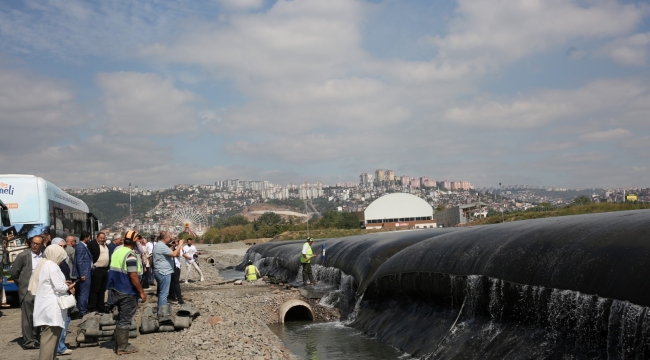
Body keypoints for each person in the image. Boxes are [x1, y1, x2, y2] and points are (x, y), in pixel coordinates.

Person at [30, 244, 76, 360]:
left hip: (48, 308)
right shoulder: (52, 266)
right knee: (49, 341)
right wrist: (69, 286)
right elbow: (59, 287)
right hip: (52, 309)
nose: (62, 260)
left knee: (51, 340)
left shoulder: (46, 265)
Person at [106, 230, 146, 355]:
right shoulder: (131, 255)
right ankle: (122, 347)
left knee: (121, 317)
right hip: (127, 290)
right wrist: (141, 292)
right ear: (135, 241)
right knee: (125, 318)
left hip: (115, 289)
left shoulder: (117, 252)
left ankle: (120, 344)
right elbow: (133, 275)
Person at [11, 235, 44, 350]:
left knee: (38, 316)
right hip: (27, 291)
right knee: (27, 317)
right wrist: (22, 285)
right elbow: (14, 273)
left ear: (42, 245)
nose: (34, 245)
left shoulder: (44, 255)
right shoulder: (23, 256)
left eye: (37, 244)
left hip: (40, 291)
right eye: (33, 243)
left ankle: (35, 338)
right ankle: (28, 342)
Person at [50, 238, 74, 356]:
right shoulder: (53, 264)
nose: (63, 249)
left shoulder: (62, 260)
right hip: (59, 295)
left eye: (65, 246)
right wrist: (67, 286)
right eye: (61, 246)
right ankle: (59, 347)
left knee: (66, 320)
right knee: (61, 322)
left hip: (65, 292)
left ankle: (60, 345)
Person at [152, 231, 183, 314]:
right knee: (164, 294)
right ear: (165, 238)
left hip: (159, 271)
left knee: (162, 292)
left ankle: (160, 310)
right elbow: (174, 254)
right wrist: (180, 244)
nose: (170, 238)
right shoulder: (161, 246)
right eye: (169, 237)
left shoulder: (158, 245)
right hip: (164, 272)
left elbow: (171, 253)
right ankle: (162, 313)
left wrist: (173, 245)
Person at [87, 232, 109, 313]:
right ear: (97, 238)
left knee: (102, 290)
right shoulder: (93, 244)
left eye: (103, 238)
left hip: (105, 269)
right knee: (95, 289)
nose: (102, 239)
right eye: (101, 238)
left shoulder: (106, 246)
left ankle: (101, 306)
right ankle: (92, 307)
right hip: (97, 270)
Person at [72, 231, 93, 316]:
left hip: (86, 272)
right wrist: (82, 274)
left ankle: (83, 309)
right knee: (84, 293)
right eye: (89, 237)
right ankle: (82, 311)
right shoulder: (81, 247)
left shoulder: (83, 246)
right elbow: (79, 261)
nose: (90, 239)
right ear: (86, 237)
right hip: (85, 273)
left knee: (84, 293)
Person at [167, 239, 184, 305]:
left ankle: (179, 298)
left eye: (176, 242)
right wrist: (171, 245)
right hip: (169, 267)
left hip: (176, 267)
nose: (174, 243)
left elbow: (177, 254)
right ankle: (172, 296)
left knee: (176, 283)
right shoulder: (168, 248)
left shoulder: (179, 248)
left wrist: (178, 246)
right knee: (171, 283)